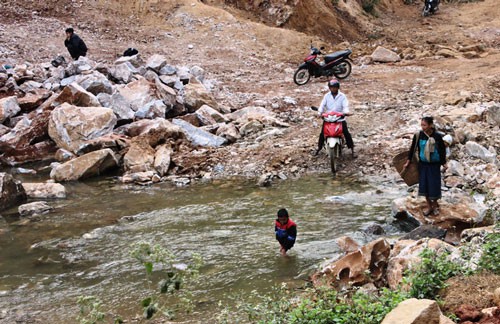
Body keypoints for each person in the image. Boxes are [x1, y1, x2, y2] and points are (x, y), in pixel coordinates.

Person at [403, 116, 446, 216]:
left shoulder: (437, 136)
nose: (422, 127)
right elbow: (412, 149)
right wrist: (408, 161)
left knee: (434, 186)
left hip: (435, 165)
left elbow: (442, 151)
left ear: (430, 125)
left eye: (424, 125)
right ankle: (429, 206)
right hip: (423, 165)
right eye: (421, 125)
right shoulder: (419, 135)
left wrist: (444, 163)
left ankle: (435, 206)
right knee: (425, 186)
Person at [315, 79, 356, 158]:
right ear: (329, 88)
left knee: (346, 133)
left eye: (335, 87)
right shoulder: (327, 96)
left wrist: (346, 112)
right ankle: (319, 148)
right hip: (328, 118)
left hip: (339, 118)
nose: (333, 89)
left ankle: (352, 149)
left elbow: (345, 106)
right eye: (331, 87)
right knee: (322, 134)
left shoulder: (342, 96)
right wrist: (319, 113)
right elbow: (322, 105)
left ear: (338, 88)